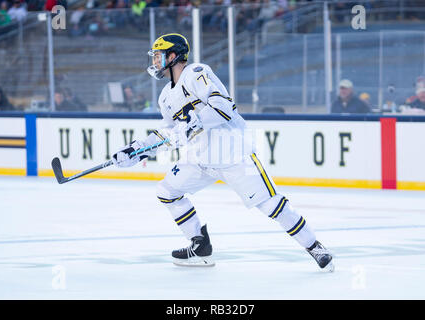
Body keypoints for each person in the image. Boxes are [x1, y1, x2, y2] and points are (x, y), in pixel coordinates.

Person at [111, 33, 334, 270]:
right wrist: (138, 150)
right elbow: (168, 132)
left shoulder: (197, 73)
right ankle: (200, 247)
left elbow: (223, 106)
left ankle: (315, 246)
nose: (155, 61)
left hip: (231, 153)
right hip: (200, 158)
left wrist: (194, 122)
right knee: (167, 191)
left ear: (173, 56)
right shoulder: (165, 96)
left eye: (158, 56)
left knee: (271, 205)